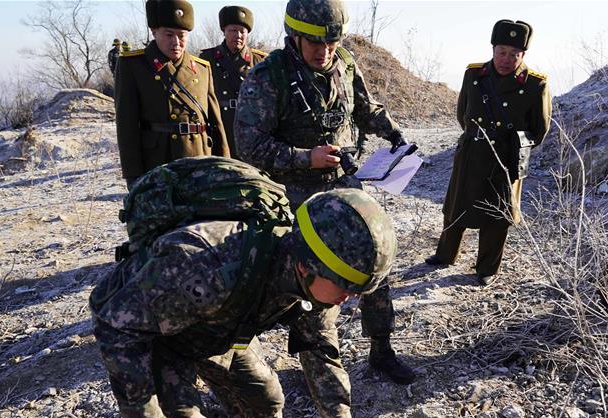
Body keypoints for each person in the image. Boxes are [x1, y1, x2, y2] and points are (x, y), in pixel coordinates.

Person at [90, 162, 393, 418]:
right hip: (159, 338)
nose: (347, 297)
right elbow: (115, 322)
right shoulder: (206, 263)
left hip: (219, 328)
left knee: (264, 396)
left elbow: (322, 355)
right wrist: (143, 415)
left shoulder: (313, 286)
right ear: (308, 265)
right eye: (344, 286)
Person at [235, 0, 416, 384]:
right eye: (316, 43)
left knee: (375, 262)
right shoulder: (269, 77)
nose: (325, 51)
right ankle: (315, 363)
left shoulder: (344, 64)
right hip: (292, 195)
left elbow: (365, 108)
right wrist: (306, 158)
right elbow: (249, 145)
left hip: (344, 186)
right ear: (295, 37)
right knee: (312, 283)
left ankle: (381, 349)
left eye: (332, 43)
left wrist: (392, 132)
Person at [425, 20, 551, 286]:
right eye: (501, 52)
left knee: (497, 214)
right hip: (473, 150)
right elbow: (463, 113)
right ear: (493, 50)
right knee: (456, 204)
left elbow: (539, 129)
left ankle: (486, 268)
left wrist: (512, 144)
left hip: (506, 157)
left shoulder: (535, 84)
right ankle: (445, 254)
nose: (506, 59)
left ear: (523, 55)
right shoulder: (474, 75)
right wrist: (478, 137)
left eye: (514, 54)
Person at [114, 0, 229, 190]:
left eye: (181, 36)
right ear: (154, 32)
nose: (176, 42)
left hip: (200, 159)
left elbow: (216, 123)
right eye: (169, 35)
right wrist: (133, 175)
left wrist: (225, 164)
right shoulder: (133, 65)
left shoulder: (202, 68)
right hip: (158, 162)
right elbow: (127, 126)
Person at [199, 6, 267, 157]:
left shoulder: (260, 61)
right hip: (221, 126)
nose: (238, 35)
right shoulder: (207, 59)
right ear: (224, 31)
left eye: (242, 31)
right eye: (233, 30)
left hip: (251, 126)